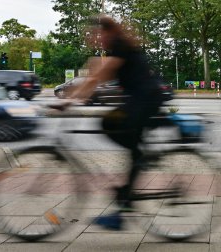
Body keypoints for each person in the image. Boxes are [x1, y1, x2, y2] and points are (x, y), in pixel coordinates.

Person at [53, 15, 164, 230]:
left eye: (97, 34)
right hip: (141, 100)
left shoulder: (121, 46)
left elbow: (98, 78)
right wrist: (79, 94)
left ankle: (126, 198)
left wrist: (68, 101)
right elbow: (96, 77)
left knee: (108, 123)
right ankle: (128, 194)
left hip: (145, 101)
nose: (95, 39)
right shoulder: (119, 47)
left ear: (108, 32)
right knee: (127, 142)